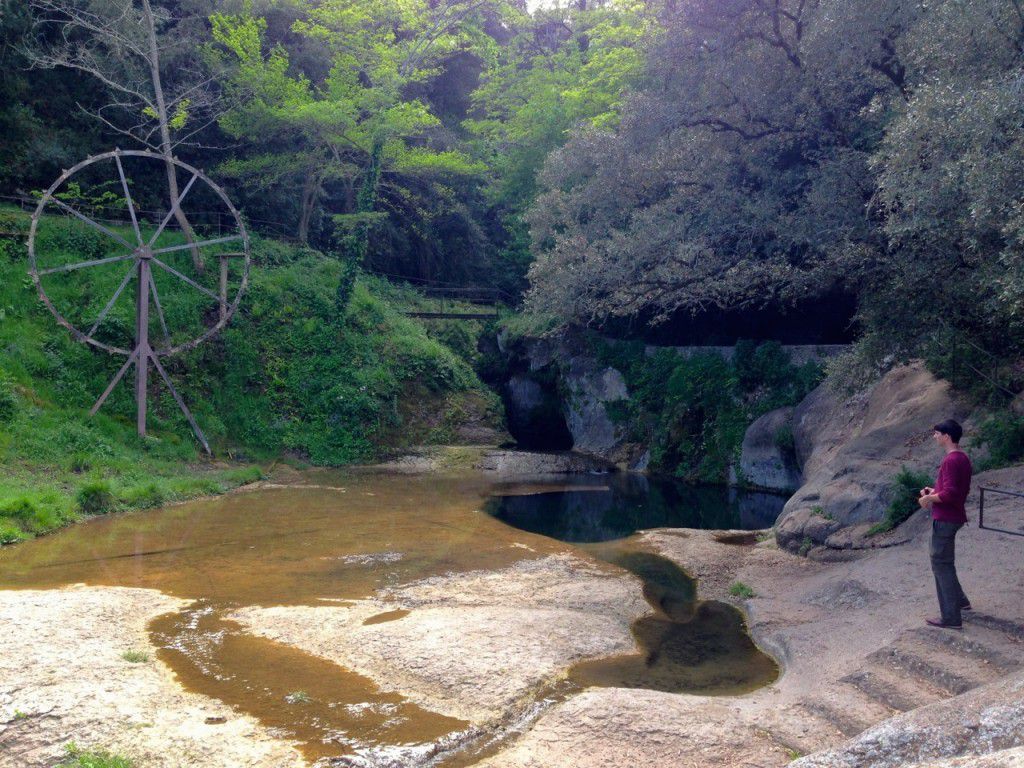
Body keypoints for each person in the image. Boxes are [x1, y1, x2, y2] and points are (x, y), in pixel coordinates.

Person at [918, 419, 972, 629]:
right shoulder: (961, 457)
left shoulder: (951, 460)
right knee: (945, 563)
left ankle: (951, 617)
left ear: (946, 436)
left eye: (937, 433)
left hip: (946, 518)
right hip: (954, 516)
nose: (934, 436)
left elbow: (950, 494)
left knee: (940, 565)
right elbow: (953, 490)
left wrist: (928, 499)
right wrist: (934, 491)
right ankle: (960, 601)